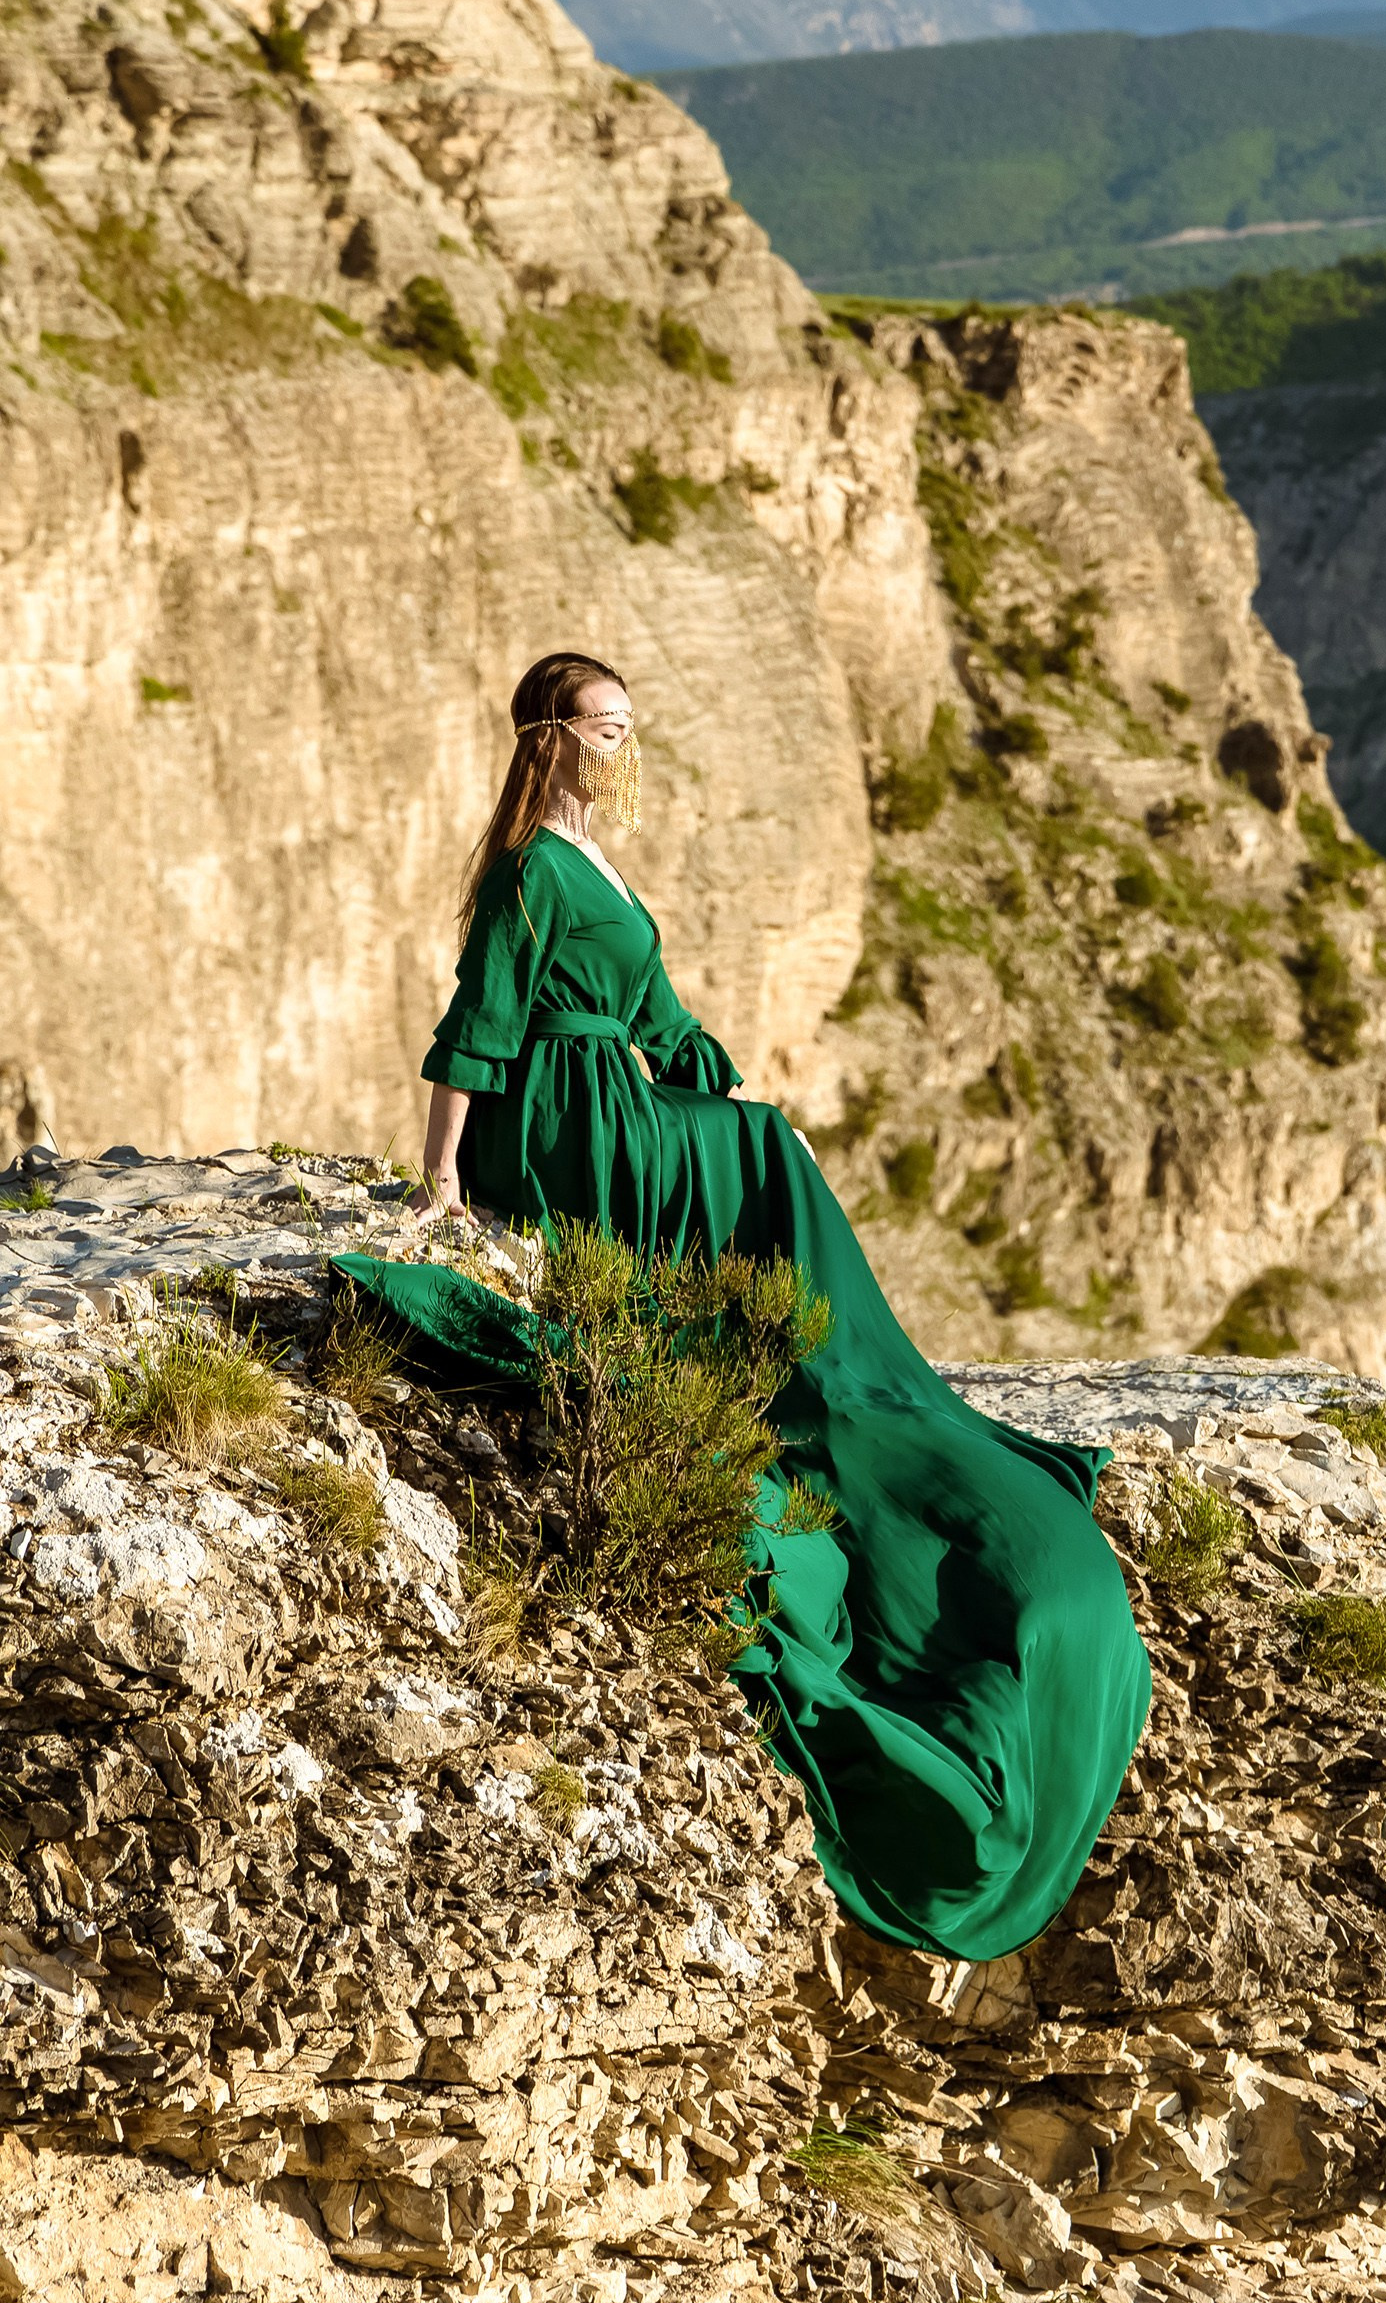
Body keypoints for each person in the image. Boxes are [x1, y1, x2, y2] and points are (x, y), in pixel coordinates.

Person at [337, 650, 1151, 1962]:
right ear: (556, 735)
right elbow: (479, 1019)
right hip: (557, 1119)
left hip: (623, 1097)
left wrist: (715, 1084)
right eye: (609, 725)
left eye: (630, 724)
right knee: (762, 1154)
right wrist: (439, 1173)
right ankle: (813, 1361)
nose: (627, 743)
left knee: (762, 1136)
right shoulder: (529, 867)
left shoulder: (591, 858)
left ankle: (812, 1348)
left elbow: (657, 1009)